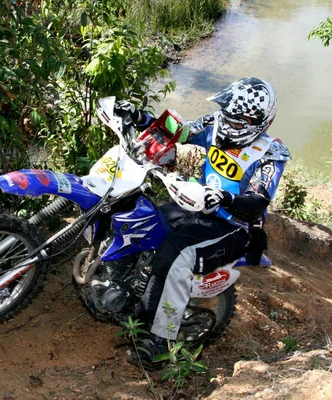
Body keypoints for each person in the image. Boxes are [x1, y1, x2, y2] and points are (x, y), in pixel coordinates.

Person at [113, 77, 291, 370]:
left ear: (256, 121)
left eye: (237, 120)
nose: (228, 123)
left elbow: (259, 200)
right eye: (228, 116)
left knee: (177, 254)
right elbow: (179, 131)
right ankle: (128, 287)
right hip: (196, 204)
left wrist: (225, 198)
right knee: (143, 218)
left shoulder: (271, 153)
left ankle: (159, 341)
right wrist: (138, 117)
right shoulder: (216, 124)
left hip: (233, 226)